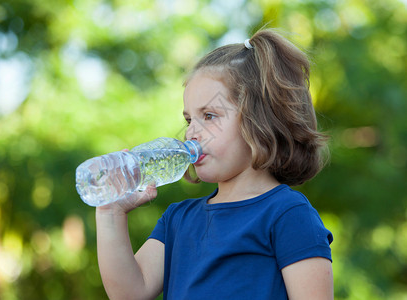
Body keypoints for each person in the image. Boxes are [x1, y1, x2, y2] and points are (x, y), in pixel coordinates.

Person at [96, 27, 334, 300]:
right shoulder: (178, 220)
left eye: (209, 116)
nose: (191, 133)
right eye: (189, 120)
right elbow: (129, 294)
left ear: (259, 121)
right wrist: (110, 213)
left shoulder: (287, 215)